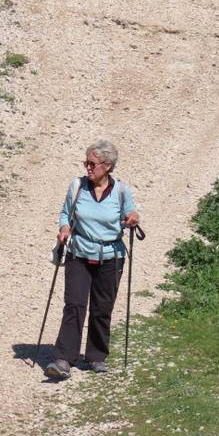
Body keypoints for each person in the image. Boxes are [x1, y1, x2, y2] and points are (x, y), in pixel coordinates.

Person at [44, 140, 141, 378]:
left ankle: (96, 356)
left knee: (102, 308)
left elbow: (132, 212)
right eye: (86, 162)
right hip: (79, 253)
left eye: (92, 163)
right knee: (74, 304)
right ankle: (64, 358)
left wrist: (132, 218)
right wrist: (65, 228)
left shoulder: (121, 190)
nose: (88, 167)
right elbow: (65, 214)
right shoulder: (77, 186)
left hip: (111, 257)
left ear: (107, 166)